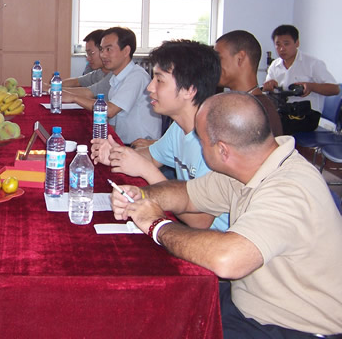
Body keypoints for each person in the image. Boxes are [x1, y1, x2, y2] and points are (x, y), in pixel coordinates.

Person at [110, 92, 342, 338]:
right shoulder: (250, 166)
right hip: (248, 304)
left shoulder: (288, 191)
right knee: (151, 309)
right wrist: (143, 195)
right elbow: (188, 194)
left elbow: (227, 260)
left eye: (201, 140)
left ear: (222, 150)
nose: (199, 146)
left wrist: (157, 225)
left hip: (294, 327)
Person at [92, 39, 228, 231]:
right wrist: (116, 154)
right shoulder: (179, 127)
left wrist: (146, 170)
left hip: (216, 239)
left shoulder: (216, 143)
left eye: (159, 80)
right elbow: (152, 156)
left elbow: (200, 221)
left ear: (189, 90)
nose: (150, 88)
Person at [63, 27, 161, 145]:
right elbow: (113, 124)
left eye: (108, 49)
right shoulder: (115, 77)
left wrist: (74, 98)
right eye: (101, 50)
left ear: (126, 51)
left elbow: (110, 110)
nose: (103, 55)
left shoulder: (137, 76)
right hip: (122, 143)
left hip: (141, 147)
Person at [262, 24, 339, 134]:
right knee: (258, 120)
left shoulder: (312, 63)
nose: (282, 49)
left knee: (274, 127)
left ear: (297, 43)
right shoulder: (274, 65)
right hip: (284, 111)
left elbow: (335, 89)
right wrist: (268, 86)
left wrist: (311, 86)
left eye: (286, 44)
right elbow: (267, 89)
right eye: (278, 45)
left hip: (307, 115)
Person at [214, 30, 283, 136]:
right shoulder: (236, 103)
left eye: (219, 59)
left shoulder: (259, 111)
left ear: (240, 58)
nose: (214, 66)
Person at [53, 29, 112, 99]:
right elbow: (77, 81)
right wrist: (53, 86)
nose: (88, 58)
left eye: (91, 53)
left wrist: (52, 89)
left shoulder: (113, 75)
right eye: (87, 54)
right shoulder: (100, 72)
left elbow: (88, 93)